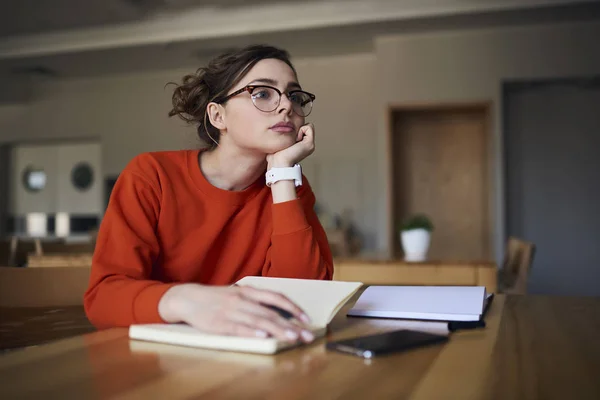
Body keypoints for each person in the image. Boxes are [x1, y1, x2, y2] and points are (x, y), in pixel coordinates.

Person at [84, 44, 333, 344]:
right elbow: (104, 298)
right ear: (218, 116)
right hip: (155, 360)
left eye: (294, 95)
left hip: (251, 362)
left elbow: (304, 301)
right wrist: (189, 301)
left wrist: (282, 173)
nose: (287, 106)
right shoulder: (151, 176)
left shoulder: (289, 188)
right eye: (263, 93)